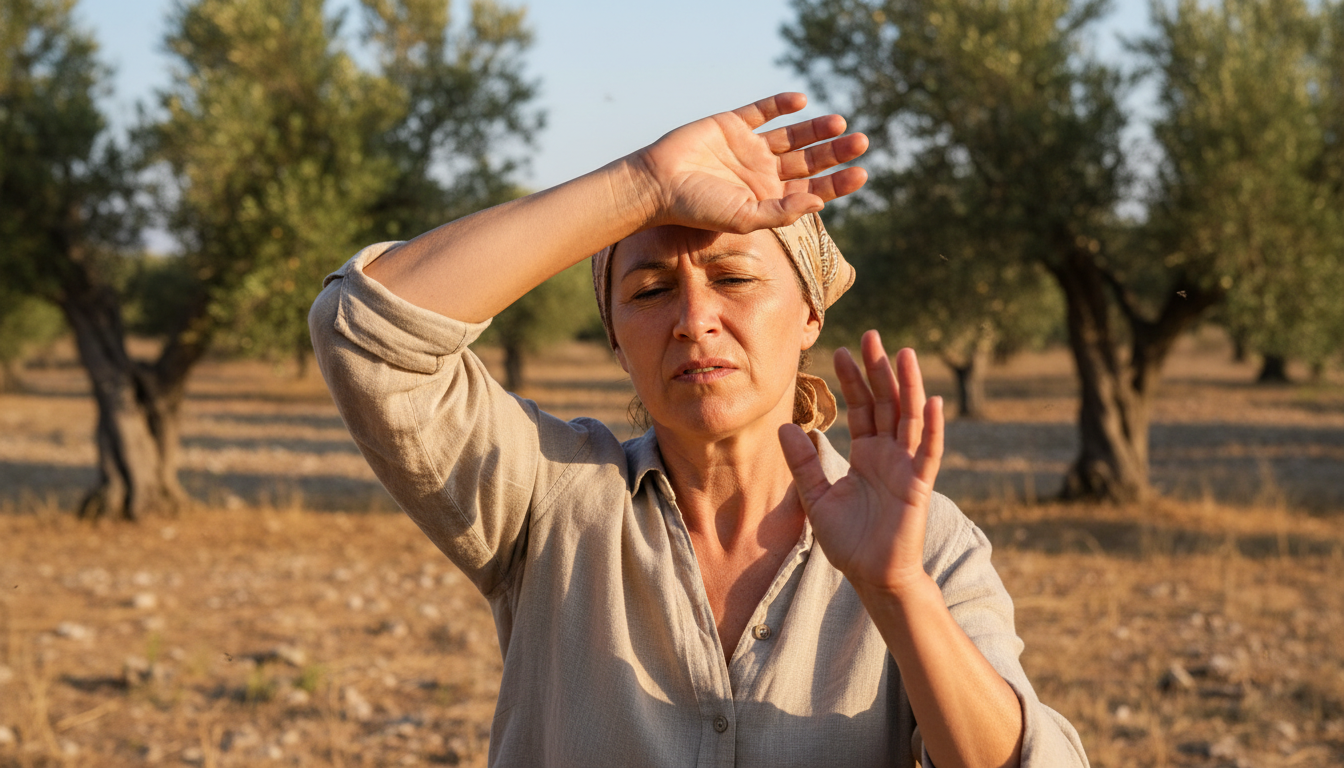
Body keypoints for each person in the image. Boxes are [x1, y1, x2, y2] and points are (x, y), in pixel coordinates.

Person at [309, 93, 1089, 768]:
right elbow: (365, 335)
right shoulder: (553, 499)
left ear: (812, 312)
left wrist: (899, 590)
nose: (693, 322)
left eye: (736, 279)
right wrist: (640, 184)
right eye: (648, 292)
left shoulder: (927, 542)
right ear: (614, 336)